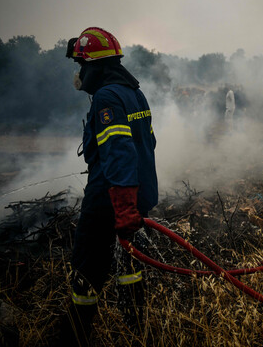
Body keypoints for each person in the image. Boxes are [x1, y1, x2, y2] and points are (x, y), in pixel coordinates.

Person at [63, 27, 158, 345]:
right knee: (130, 267)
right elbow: (149, 142)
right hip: (136, 195)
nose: (80, 73)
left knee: (86, 269)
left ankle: (77, 334)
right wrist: (134, 202)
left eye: (81, 66)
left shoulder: (106, 97)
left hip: (110, 199)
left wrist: (122, 204)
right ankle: (138, 332)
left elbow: (119, 152)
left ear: (93, 67)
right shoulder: (135, 93)